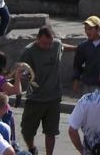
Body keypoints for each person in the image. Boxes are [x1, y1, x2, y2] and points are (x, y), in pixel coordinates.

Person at [19, 26, 77, 155]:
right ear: (37, 39)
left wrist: (77, 49)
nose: (48, 46)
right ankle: (32, 148)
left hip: (53, 98)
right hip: (35, 98)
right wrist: (24, 76)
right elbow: (22, 70)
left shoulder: (56, 45)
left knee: (51, 132)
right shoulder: (28, 52)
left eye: (50, 43)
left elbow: (62, 46)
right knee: (27, 131)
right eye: (45, 43)